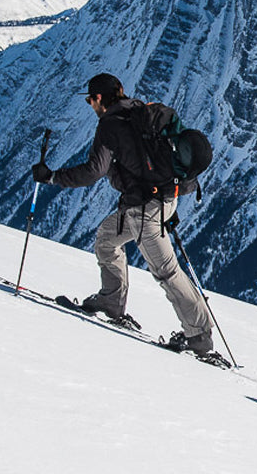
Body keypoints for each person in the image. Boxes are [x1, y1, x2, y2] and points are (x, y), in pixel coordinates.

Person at [32, 73, 214, 357]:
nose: (90, 105)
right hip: (162, 200)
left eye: (90, 100)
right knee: (106, 240)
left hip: (145, 211)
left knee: (166, 271)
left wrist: (53, 177)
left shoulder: (110, 125)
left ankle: (199, 335)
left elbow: (94, 171)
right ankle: (111, 302)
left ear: (100, 98)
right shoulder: (137, 110)